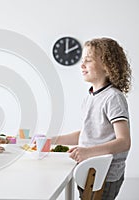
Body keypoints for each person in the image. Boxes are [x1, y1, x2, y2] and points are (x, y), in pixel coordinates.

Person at [52, 38, 131, 199]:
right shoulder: (91, 97)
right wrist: (53, 140)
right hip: (90, 169)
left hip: (104, 174)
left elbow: (124, 141)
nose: (82, 65)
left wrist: (87, 152)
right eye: (83, 61)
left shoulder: (113, 97)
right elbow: (88, 133)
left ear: (107, 66)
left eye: (88, 60)